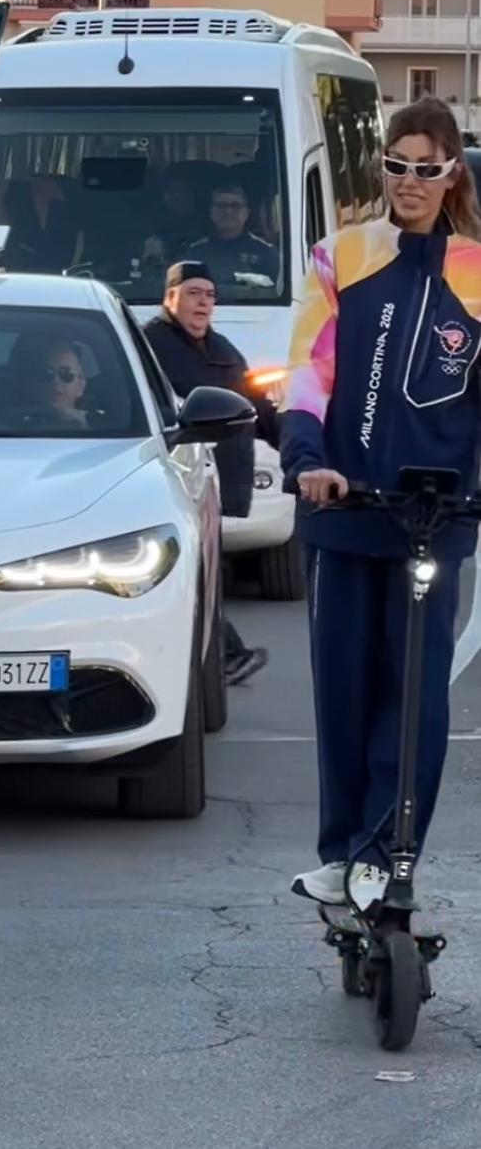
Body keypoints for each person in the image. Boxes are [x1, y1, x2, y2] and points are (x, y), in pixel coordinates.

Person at [282, 97, 481, 911]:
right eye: (397, 165)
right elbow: (307, 375)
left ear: (451, 175)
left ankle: (389, 856)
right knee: (346, 691)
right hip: (345, 510)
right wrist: (307, 462)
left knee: (417, 698)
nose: (409, 180)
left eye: (425, 167)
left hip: (436, 518)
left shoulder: (475, 271)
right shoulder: (342, 257)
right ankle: (343, 852)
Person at [144, 262, 278, 684]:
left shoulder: (223, 350)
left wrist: (303, 453)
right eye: (193, 293)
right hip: (175, 477)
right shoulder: (150, 345)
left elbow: (259, 408)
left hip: (218, 479)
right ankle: (222, 656)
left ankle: (214, 657)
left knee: (206, 570)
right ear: (171, 298)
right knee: (197, 571)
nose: (203, 303)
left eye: (209, 295)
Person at [186, 178, 279, 288]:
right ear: (210, 212)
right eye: (221, 205)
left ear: (247, 212)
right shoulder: (196, 252)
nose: (228, 211)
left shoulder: (266, 252)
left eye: (235, 206)